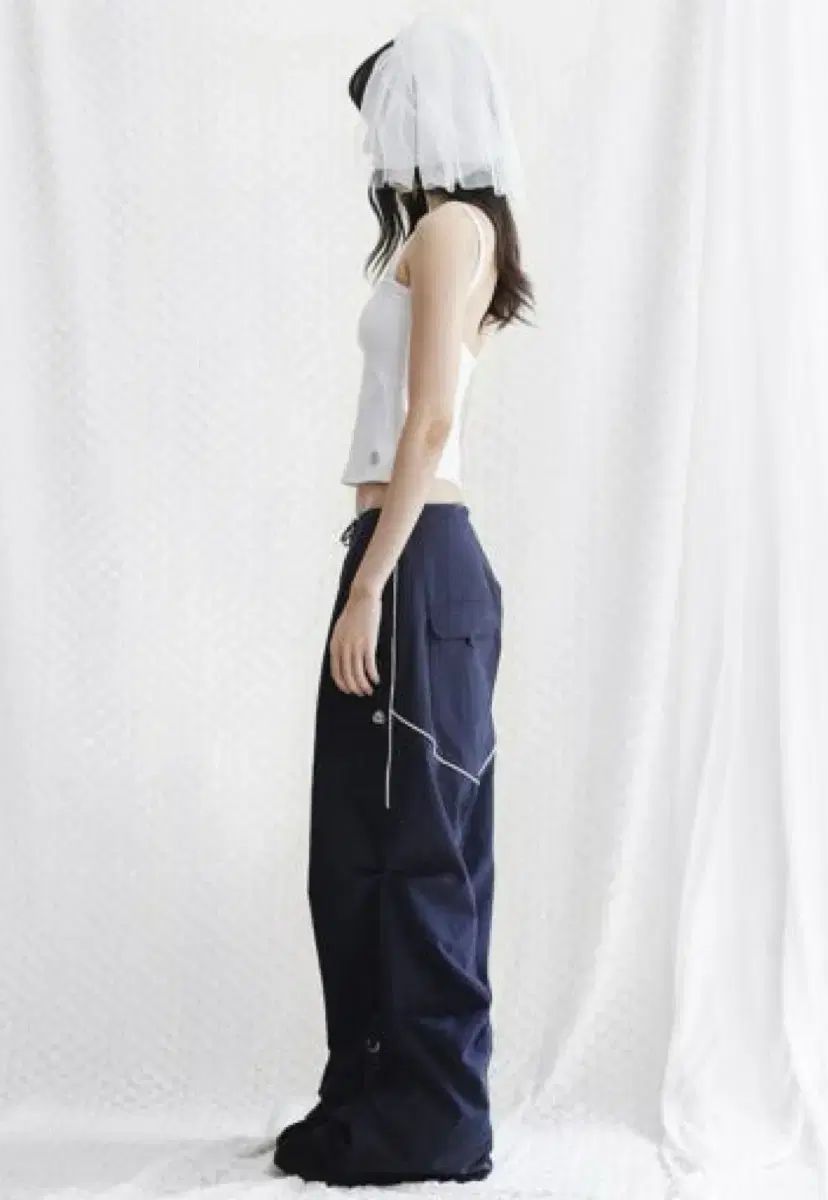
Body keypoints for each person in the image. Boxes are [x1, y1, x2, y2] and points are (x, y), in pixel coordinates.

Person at [273, 12, 534, 1186]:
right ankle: (384, 1093)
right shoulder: (461, 234)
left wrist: (371, 582)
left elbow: (429, 422)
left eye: (380, 112)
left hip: (415, 557)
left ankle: (425, 1120)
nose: (373, 142)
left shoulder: (448, 228)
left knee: (411, 846)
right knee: (371, 842)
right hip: (412, 550)